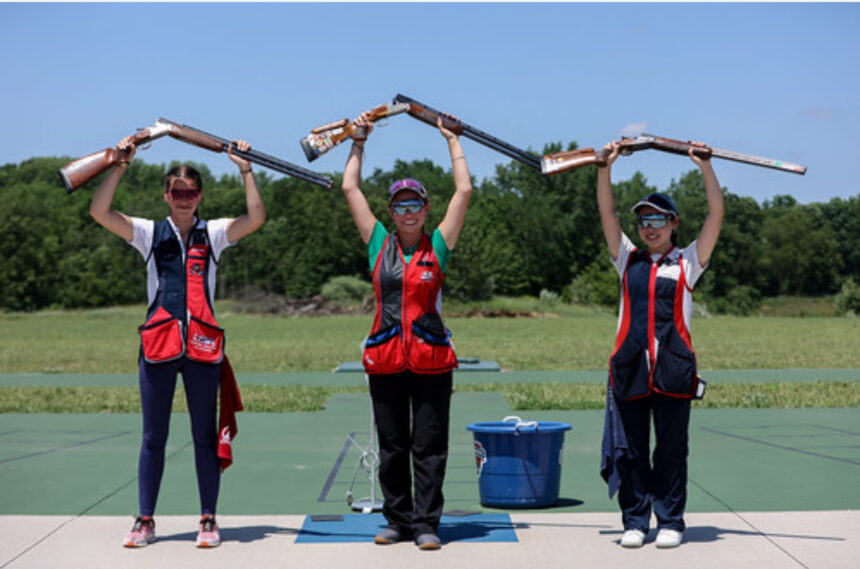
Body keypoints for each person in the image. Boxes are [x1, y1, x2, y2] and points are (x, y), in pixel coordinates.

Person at [89, 135, 266, 548]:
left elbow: (255, 218)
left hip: (203, 348)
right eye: (176, 192)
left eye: (190, 192)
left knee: (204, 436)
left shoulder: (216, 233)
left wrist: (246, 170)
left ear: (200, 195)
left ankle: (208, 520)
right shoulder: (149, 233)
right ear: (166, 195)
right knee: (154, 437)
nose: (184, 198)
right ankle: (145, 520)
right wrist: (120, 163)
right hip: (159, 346)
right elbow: (99, 211)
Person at [341, 111, 472, 550]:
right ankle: (397, 520)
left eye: (415, 204)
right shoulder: (378, 242)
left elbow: (465, 190)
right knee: (393, 445)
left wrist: (451, 139)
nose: (408, 212)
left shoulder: (439, 245)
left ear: (426, 209)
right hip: (386, 358)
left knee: (429, 447)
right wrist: (358, 141)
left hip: (432, 360)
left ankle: (427, 524)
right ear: (391, 212)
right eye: (400, 205)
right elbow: (349, 188)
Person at [596, 140, 724, 549]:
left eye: (658, 220)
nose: (649, 227)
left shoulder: (688, 261)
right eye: (643, 221)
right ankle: (635, 521)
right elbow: (606, 212)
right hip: (630, 369)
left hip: (673, 370)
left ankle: (671, 521)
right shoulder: (626, 258)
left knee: (671, 450)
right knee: (632, 450)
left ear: (673, 224)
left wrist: (705, 167)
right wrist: (605, 168)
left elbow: (716, 214)